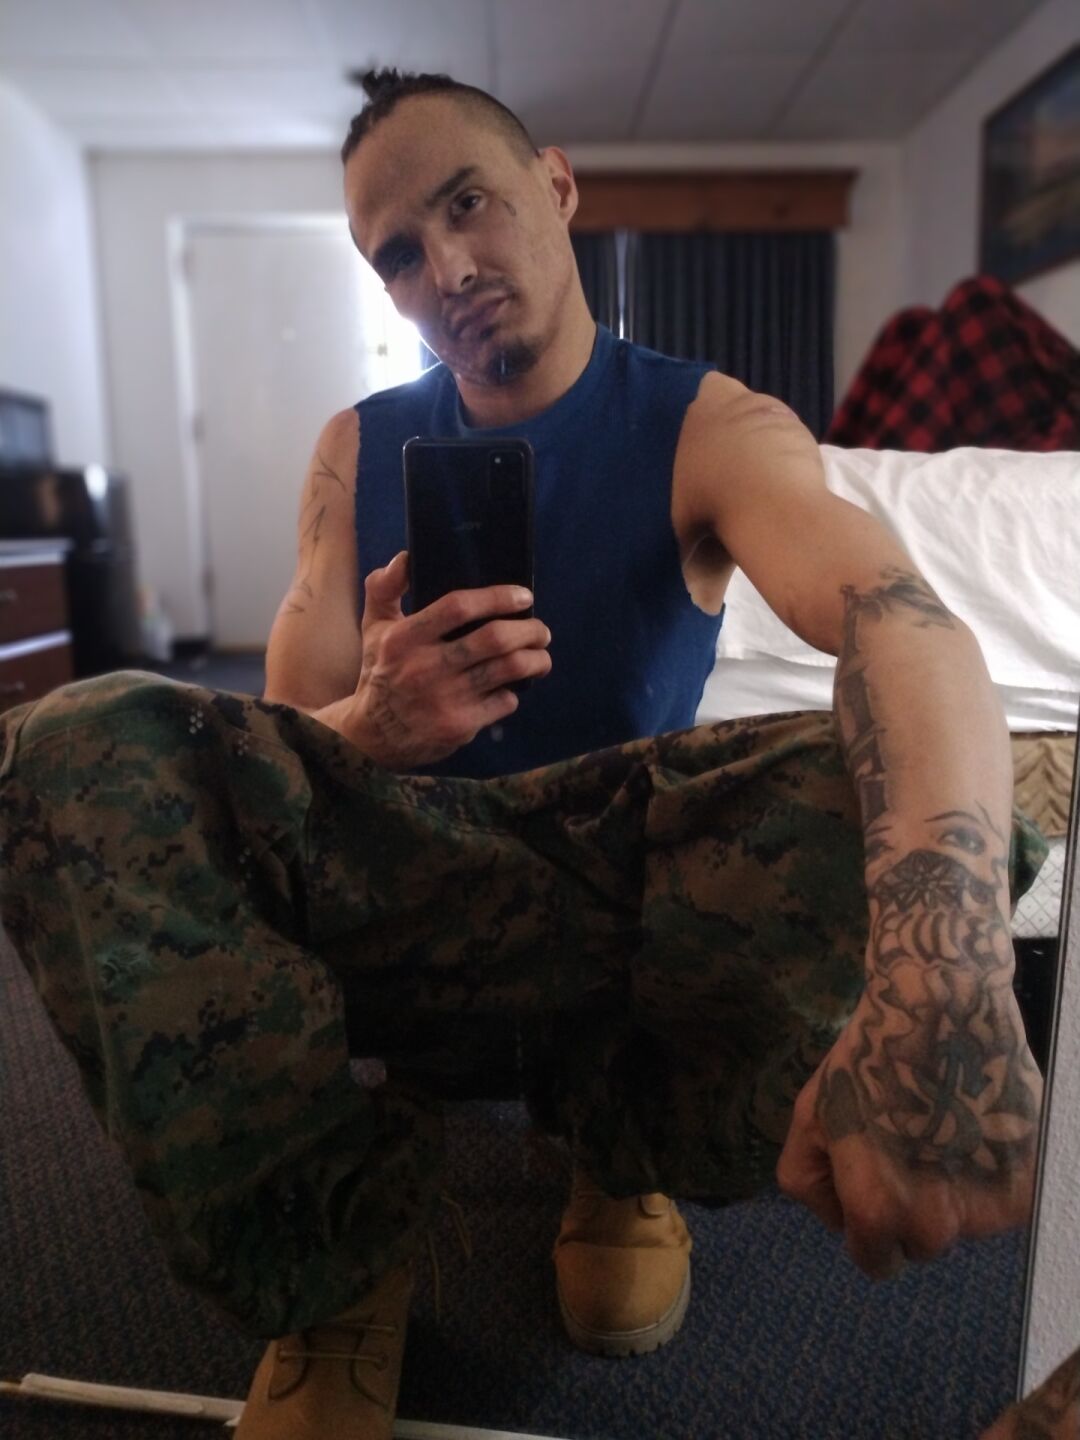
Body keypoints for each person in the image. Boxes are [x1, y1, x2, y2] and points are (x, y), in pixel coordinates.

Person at [0, 69, 1046, 1440]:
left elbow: (898, 622)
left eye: (468, 204)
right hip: (395, 893)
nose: (445, 271)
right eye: (398, 255)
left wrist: (950, 968)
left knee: (879, 782)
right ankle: (333, 1265)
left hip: (616, 920)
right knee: (72, 742)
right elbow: (266, 767)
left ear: (555, 186)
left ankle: (624, 1152)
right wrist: (372, 726)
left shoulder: (709, 427)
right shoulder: (355, 450)